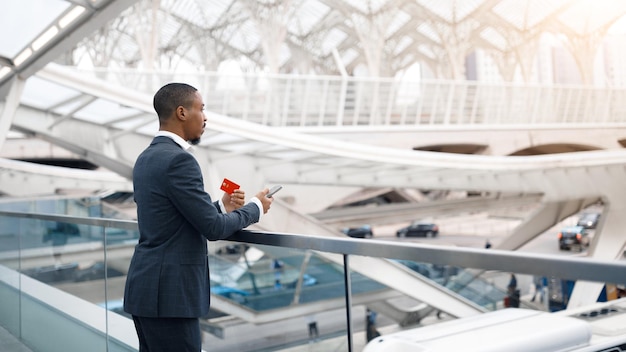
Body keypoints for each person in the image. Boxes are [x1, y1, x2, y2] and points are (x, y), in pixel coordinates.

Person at [123, 82, 273, 352]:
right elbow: (214, 229)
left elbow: (171, 217)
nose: (205, 117)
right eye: (201, 109)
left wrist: (220, 205)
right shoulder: (180, 161)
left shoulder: (147, 157)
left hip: (146, 290)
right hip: (170, 297)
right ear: (182, 112)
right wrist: (256, 207)